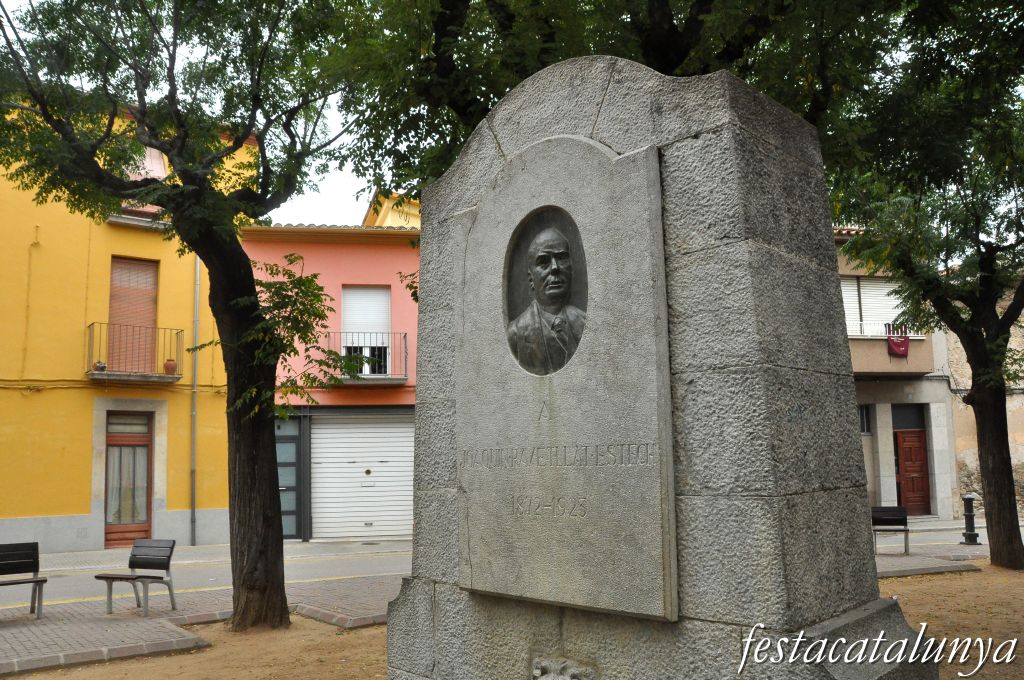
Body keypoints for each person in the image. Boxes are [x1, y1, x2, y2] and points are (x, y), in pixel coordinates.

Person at [507, 226, 586, 374]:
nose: (555, 268)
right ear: (531, 278)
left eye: (561, 258)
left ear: (572, 269)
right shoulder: (516, 334)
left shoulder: (584, 322)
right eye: (544, 261)